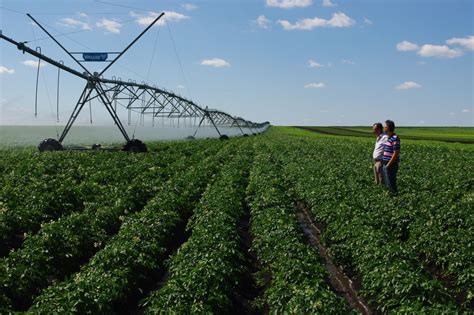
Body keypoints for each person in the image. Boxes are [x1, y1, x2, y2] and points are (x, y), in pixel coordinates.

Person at [382, 120, 400, 194]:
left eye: (385, 126)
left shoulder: (395, 138)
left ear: (388, 127)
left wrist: (388, 164)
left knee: (391, 183)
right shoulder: (389, 138)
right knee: (388, 182)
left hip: (391, 164)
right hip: (386, 163)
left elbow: (396, 153)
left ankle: (395, 196)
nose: (384, 127)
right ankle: (391, 195)